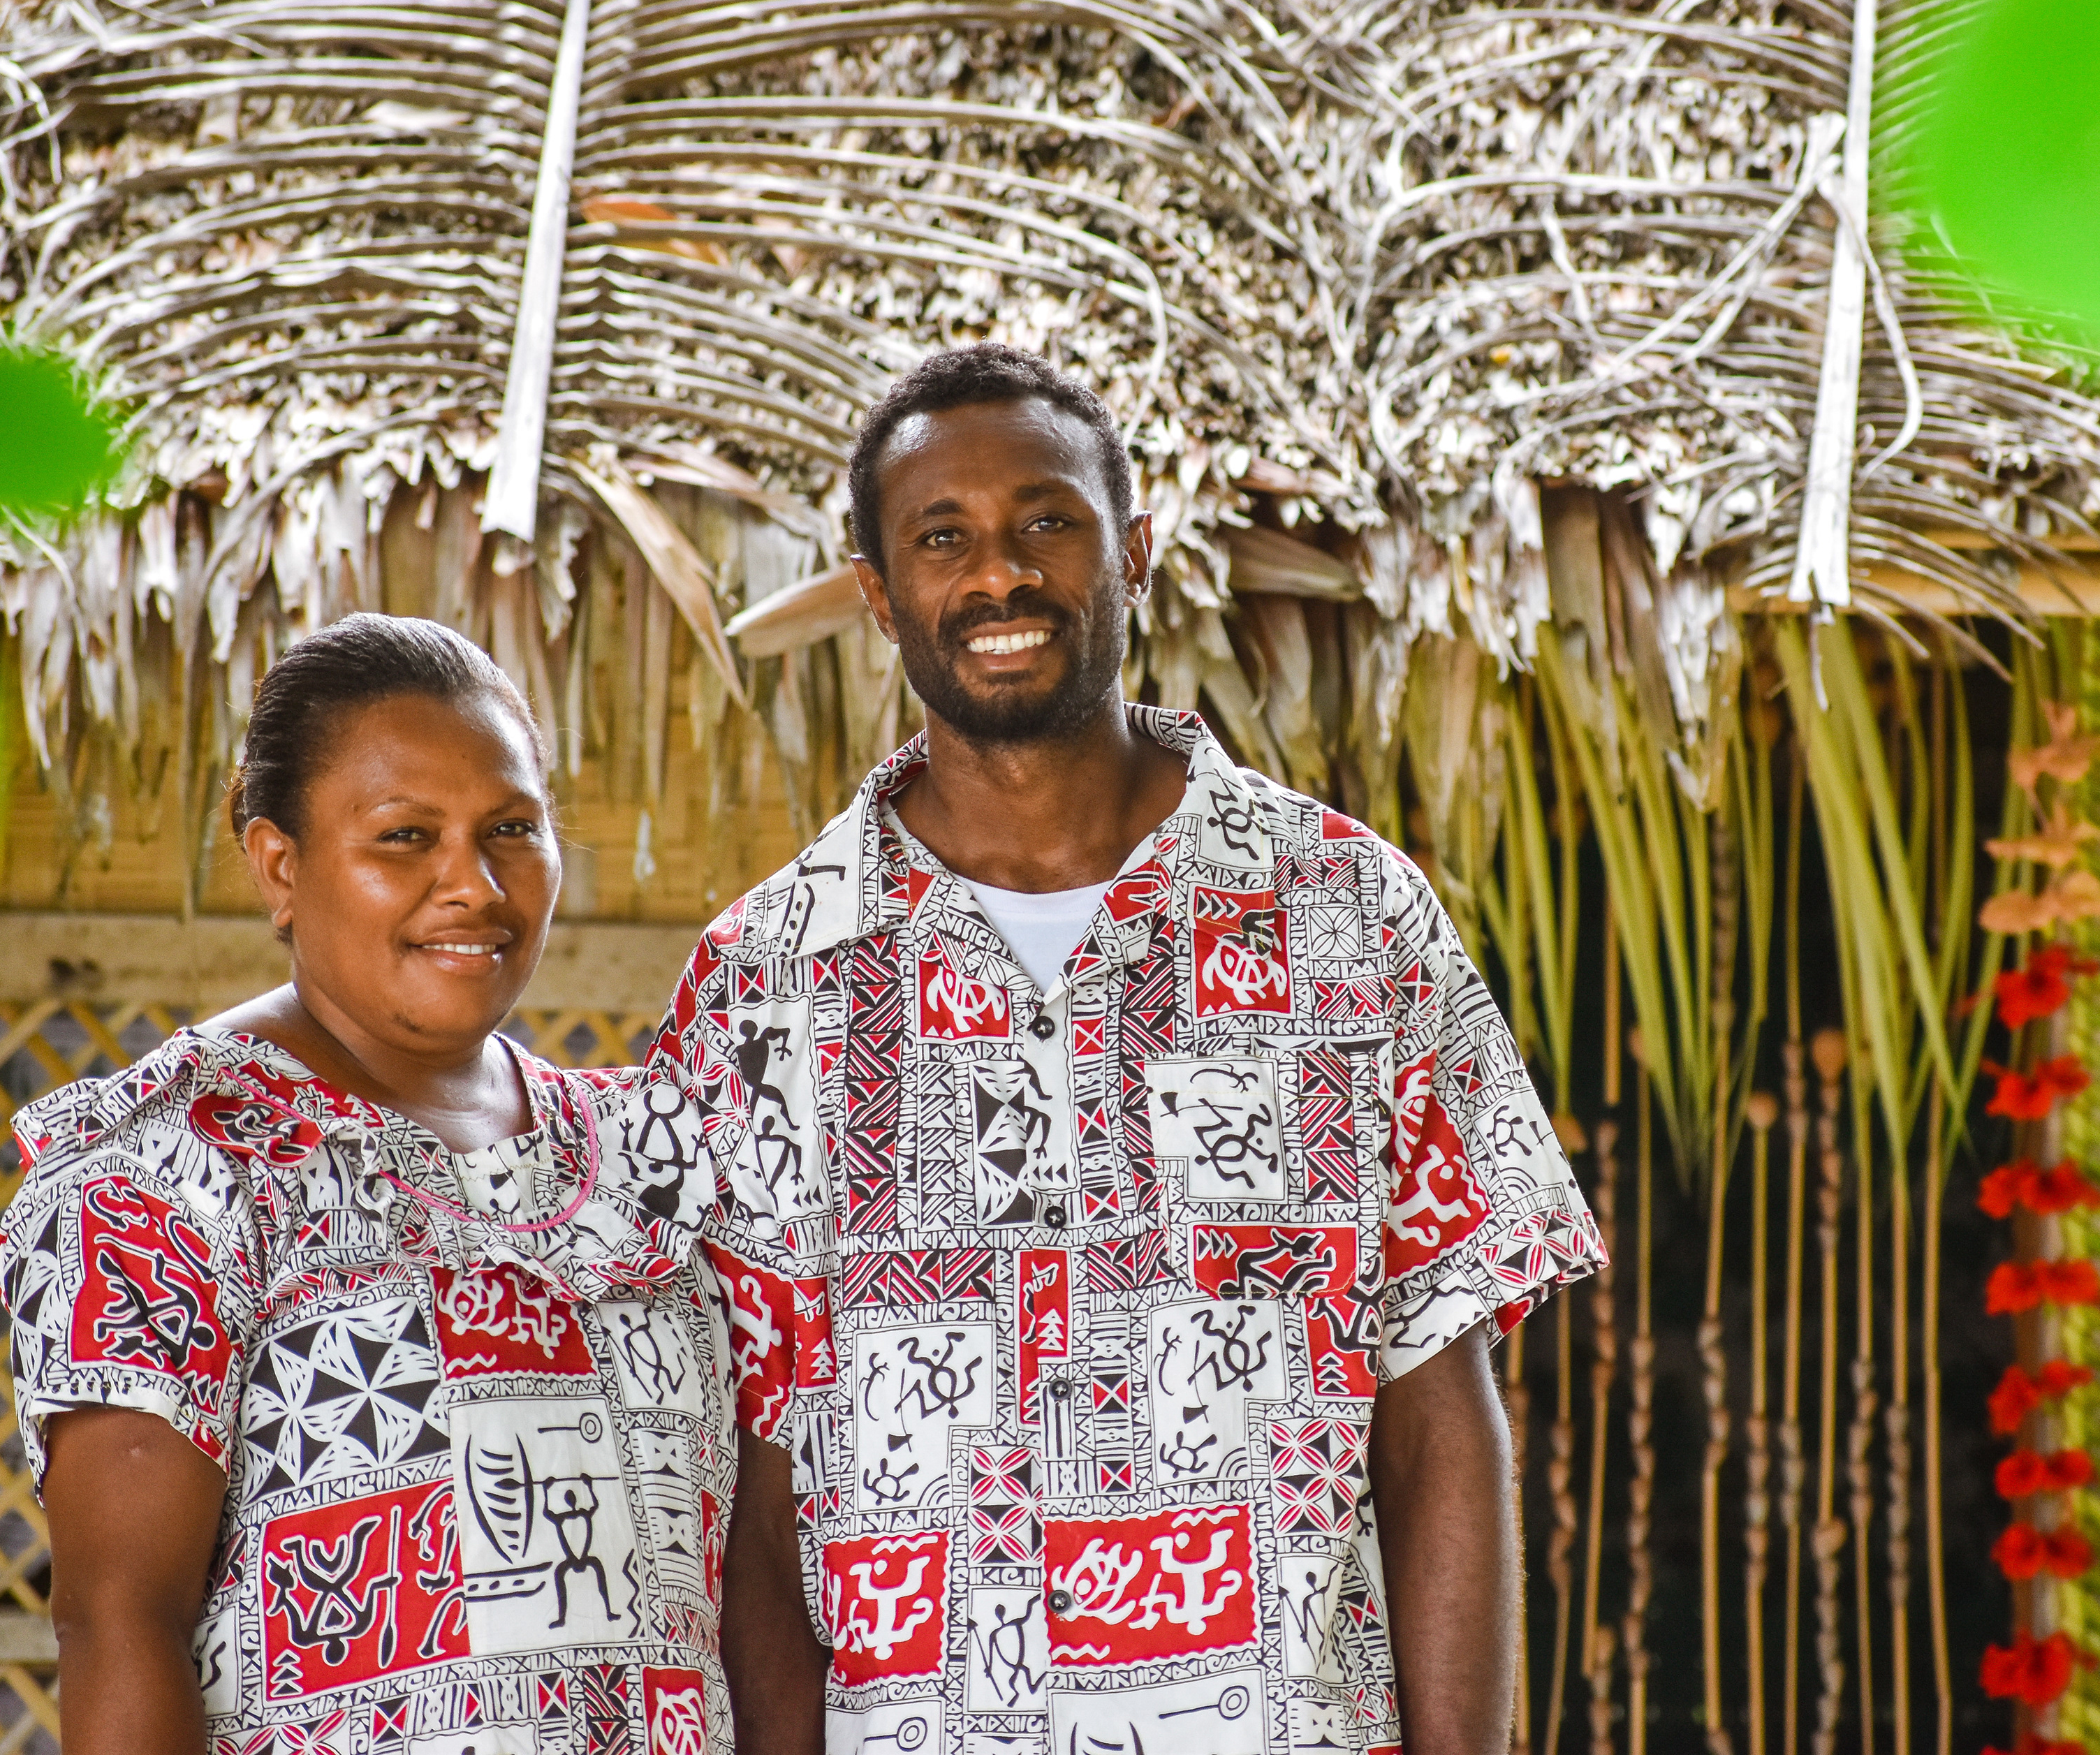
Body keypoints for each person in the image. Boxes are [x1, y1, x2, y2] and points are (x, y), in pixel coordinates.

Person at [612, 346, 1607, 1755]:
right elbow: (752, 1489)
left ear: (1133, 550)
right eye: (942, 537)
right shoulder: (760, 983)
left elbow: (1440, 1410)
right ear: (879, 594)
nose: (1001, 572)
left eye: (1048, 520)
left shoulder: (1346, 909)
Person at [0, 615, 733, 1755]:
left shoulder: (652, 1157)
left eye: (512, 829)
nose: (473, 884)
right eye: (405, 837)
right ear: (279, 866)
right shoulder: (169, 1172)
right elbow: (118, 1623)